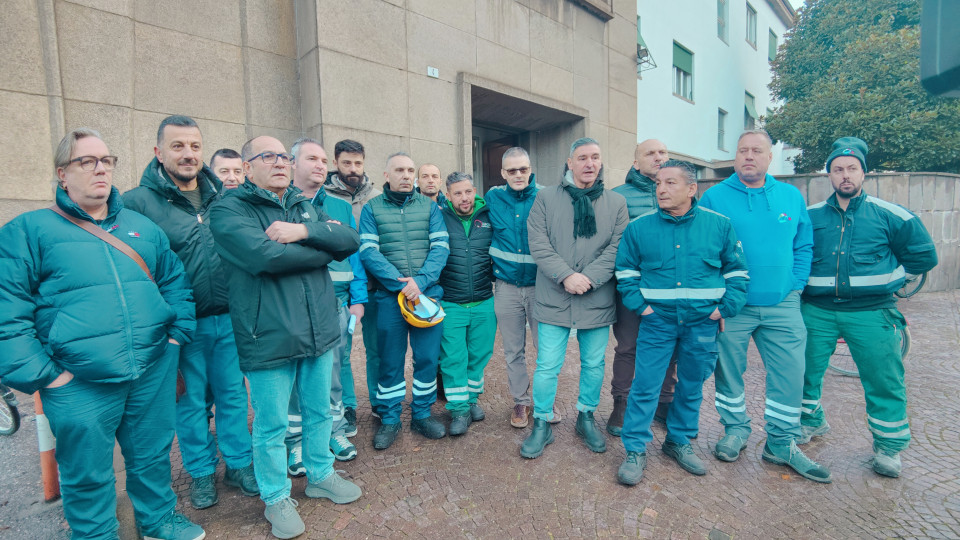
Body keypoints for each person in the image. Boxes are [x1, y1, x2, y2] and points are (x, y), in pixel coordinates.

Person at [0, 128, 203, 539]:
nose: (100, 169)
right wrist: (47, 376)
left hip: (151, 368)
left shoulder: (141, 227)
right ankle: (95, 534)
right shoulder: (28, 231)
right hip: (76, 380)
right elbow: (8, 314)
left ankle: (158, 520)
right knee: (86, 470)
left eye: (107, 160)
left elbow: (175, 283)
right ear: (62, 173)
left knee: (152, 456)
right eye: (86, 161)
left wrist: (174, 339)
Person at [210, 136, 362, 539]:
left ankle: (320, 475)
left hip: (318, 328)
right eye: (268, 156)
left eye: (282, 156)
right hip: (268, 334)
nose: (279, 162)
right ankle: (276, 496)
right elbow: (265, 257)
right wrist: (322, 247)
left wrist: (301, 231)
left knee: (319, 411)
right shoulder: (229, 209)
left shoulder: (301, 204)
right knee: (272, 425)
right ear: (246, 167)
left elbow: (349, 240)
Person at [124, 115, 256, 509]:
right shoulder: (136, 204)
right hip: (182, 325)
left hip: (229, 319)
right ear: (158, 152)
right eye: (178, 146)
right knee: (190, 402)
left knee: (233, 396)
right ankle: (200, 472)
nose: (188, 154)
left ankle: (239, 464)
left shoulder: (225, 198)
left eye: (195, 146)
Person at [799, 137, 938, 478]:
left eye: (852, 169)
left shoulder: (892, 215)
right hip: (817, 311)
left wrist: (891, 280)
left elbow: (924, 256)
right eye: (837, 169)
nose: (845, 175)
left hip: (872, 313)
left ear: (864, 173)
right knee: (803, 372)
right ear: (829, 175)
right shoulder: (810, 216)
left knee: (883, 379)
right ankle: (810, 420)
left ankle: (888, 446)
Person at [699, 130, 831, 483]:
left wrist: (796, 285)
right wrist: (719, 297)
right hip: (734, 304)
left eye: (756, 150)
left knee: (790, 372)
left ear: (770, 157)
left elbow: (803, 244)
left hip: (782, 303)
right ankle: (735, 429)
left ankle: (781, 442)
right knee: (727, 369)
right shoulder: (714, 197)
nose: (749, 156)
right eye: (742, 150)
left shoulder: (790, 196)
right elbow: (705, 250)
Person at [614, 160, 748, 484]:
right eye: (659, 183)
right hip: (657, 322)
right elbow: (626, 273)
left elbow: (737, 273)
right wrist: (643, 309)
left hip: (702, 323)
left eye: (670, 183)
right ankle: (635, 449)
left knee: (691, 385)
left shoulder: (719, 226)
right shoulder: (639, 228)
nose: (661, 189)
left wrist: (723, 309)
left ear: (691, 189)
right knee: (645, 386)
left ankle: (679, 440)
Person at [520, 137, 628, 459]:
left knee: (594, 364)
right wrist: (566, 275)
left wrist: (590, 278)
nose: (589, 163)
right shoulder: (545, 198)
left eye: (595, 157)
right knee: (547, 366)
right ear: (570, 162)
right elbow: (538, 242)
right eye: (582, 157)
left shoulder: (616, 203)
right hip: (554, 295)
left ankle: (586, 416)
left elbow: (618, 247)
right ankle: (542, 422)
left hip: (597, 297)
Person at [358, 152, 450, 450]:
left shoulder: (430, 207)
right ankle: (390, 418)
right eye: (399, 170)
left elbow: (441, 248)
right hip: (388, 299)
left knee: (427, 358)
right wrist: (403, 285)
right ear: (386, 175)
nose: (406, 175)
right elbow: (369, 252)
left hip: (426, 295)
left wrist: (419, 282)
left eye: (411, 170)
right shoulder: (372, 209)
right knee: (389, 360)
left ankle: (422, 414)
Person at [287, 137, 367, 466]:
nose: (320, 165)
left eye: (323, 160)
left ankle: (334, 429)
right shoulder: (280, 204)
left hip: (336, 301)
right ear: (292, 163)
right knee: (295, 373)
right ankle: (296, 440)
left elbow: (354, 254)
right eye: (312, 159)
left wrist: (358, 298)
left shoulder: (340, 207)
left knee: (333, 370)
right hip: (293, 302)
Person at [607, 139, 680, 436]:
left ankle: (665, 401)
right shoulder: (617, 197)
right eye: (650, 153)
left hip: (670, 289)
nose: (658, 157)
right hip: (630, 287)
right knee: (628, 347)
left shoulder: (682, 194)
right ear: (636, 163)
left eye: (663, 152)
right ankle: (622, 403)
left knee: (670, 347)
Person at [487, 147, 558, 428]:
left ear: (530, 169)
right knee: (513, 351)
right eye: (512, 170)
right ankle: (521, 401)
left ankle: (544, 399)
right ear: (503, 173)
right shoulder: (493, 197)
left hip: (542, 288)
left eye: (523, 169)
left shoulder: (546, 197)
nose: (518, 174)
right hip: (506, 288)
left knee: (546, 350)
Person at [323, 139, 383, 417]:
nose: (353, 168)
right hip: (340, 287)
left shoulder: (376, 196)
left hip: (376, 285)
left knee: (376, 348)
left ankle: (379, 402)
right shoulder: (324, 197)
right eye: (346, 162)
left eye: (358, 163)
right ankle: (346, 406)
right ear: (335, 163)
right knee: (341, 353)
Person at [437, 172, 496, 435]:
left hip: (484, 300)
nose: (464, 198)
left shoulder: (488, 215)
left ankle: (471, 400)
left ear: (475, 191)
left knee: (479, 355)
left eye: (468, 191)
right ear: (448, 195)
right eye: (458, 193)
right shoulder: (439, 217)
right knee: (453, 359)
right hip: (451, 302)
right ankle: (459, 409)